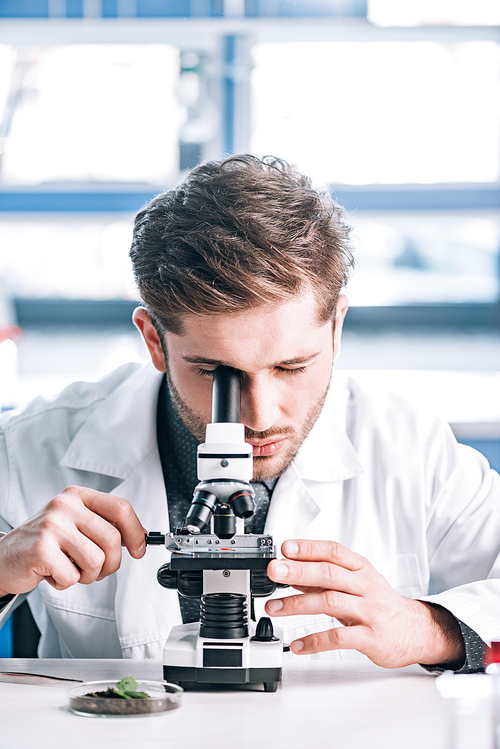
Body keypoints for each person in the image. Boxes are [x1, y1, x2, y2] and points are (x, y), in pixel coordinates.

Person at [0, 154, 498, 666]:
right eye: (216, 374)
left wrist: (430, 629)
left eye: (291, 367)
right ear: (154, 340)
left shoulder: (409, 447)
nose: (256, 417)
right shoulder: (34, 446)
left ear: (336, 328)